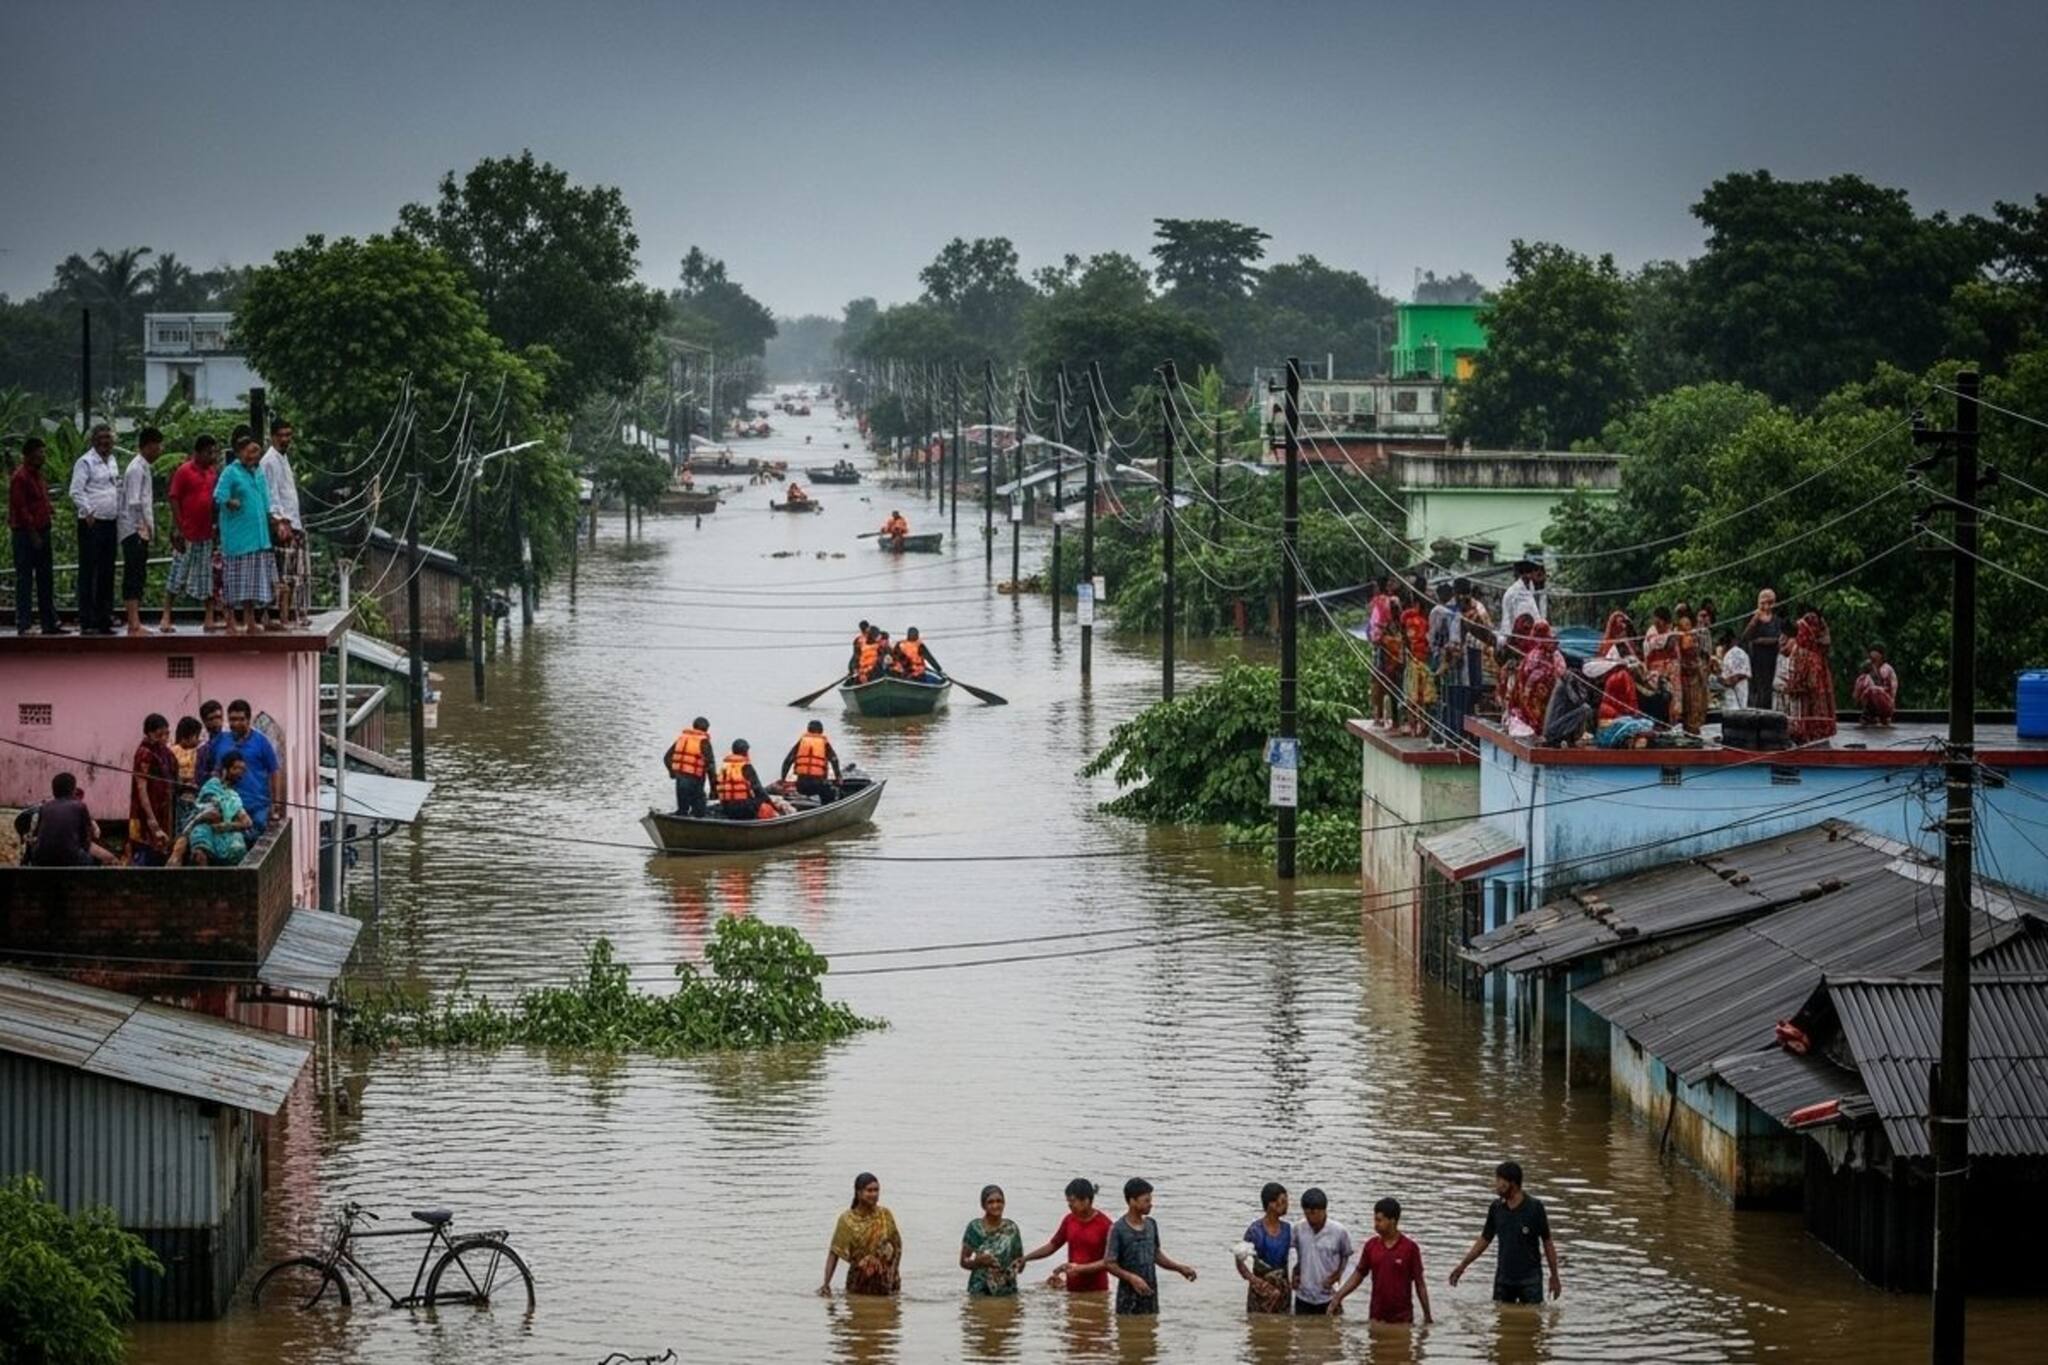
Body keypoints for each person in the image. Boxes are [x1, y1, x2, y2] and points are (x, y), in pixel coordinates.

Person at [1069, 1177, 1197, 1316]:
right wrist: (1131, 1278)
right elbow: (1110, 1263)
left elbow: (1156, 1255)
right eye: (1146, 1201)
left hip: (1150, 1295)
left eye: (1150, 1200)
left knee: (1150, 1331)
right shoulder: (1118, 1229)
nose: (1151, 1204)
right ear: (1132, 1201)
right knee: (1128, 1333)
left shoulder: (1151, 1225)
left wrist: (1179, 1268)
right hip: (1127, 1299)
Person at [1448, 1160, 1562, 1304]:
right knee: (1502, 1322)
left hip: (1530, 1281)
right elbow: (1484, 1240)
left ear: (1511, 1183)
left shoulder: (1535, 1208)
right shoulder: (1496, 1208)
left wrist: (1554, 1276)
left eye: (1499, 1180)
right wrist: (1463, 1265)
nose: (1496, 1185)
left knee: (1532, 1323)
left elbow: (1547, 1242)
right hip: (1503, 1280)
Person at [1331, 1197, 1433, 1325]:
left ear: (1393, 1221)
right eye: (1375, 1219)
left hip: (1402, 1320)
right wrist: (1338, 1297)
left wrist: (1427, 1315)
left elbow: (1420, 1283)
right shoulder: (1371, 1246)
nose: (1375, 1224)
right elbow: (1358, 1275)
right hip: (1376, 1317)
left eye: (1379, 1220)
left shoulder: (1410, 1248)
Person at [214, 435, 275, 635]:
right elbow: (218, 495)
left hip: (258, 537)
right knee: (233, 583)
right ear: (240, 453)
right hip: (238, 539)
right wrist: (230, 502)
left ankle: (250, 622)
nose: (253, 457)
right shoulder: (230, 472)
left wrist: (273, 519)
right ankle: (230, 621)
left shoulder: (258, 473)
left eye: (256, 453)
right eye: (249, 453)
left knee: (251, 585)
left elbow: (266, 501)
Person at [164, 434, 222, 632]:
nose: (212, 456)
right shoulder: (184, 471)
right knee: (177, 574)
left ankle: (209, 616)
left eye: (214, 452)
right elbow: (174, 498)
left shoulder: (212, 473)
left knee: (206, 576)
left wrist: (215, 526)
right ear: (198, 452)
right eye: (208, 452)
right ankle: (166, 615)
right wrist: (179, 528)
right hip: (187, 533)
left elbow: (214, 502)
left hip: (205, 533)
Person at [69, 423, 121, 633]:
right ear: (93, 441)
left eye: (108, 439)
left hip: (110, 521)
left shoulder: (113, 461)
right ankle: (87, 619)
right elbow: (76, 490)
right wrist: (88, 511)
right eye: (100, 439)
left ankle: (104, 617)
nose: (105, 442)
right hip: (92, 523)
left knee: (107, 571)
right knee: (89, 571)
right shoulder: (85, 462)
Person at [8, 437, 62, 635]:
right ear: (29, 454)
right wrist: (33, 534)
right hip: (25, 534)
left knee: (45, 577)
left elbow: (40, 500)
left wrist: (49, 511)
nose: (43, 456)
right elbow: (20, 509)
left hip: (43, 529)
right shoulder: (20, 477)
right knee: (25, 579)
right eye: (40, 452)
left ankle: (49, 621)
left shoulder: (38, 475)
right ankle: (24, 623)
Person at [1022, 1178, 1115, 1292]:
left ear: (1086, 1200)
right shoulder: (1069, 1220)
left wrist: (1080, 1269)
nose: (1069, 1205)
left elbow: (1111, 1261)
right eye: (1068, 1202)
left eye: (1072, 1201)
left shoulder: (1106, 1225)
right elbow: (1052, 1245)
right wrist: (1025, 1258)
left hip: (1097, 1291)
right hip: (1072, 1289)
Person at [819, 1172, 901, 1296]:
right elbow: (834, 1252)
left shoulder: (885, 1215)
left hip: (885, 1284)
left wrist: (892, 1273)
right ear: (858, 1193)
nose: (874, 1194)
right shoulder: (847, 1220)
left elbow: (897, 1246)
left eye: (876, 1190)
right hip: (858, 1284)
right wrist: (826, 1284)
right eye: (869, 1190)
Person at [116, 427, 162, 635]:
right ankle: (133, 623)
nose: (160, 451)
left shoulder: (144, 467)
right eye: (158, 446)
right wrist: (143, 528)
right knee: (133, 573)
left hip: (140, 529)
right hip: (134, 529)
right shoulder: (136, 468)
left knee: (139, 573)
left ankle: (136, 620)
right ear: (149, 445)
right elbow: (135, 501)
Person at [260, 419, 305, 628]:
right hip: (282, 524)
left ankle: (290, 616)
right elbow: (271, 494)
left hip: (293, 522)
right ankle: (277, 617)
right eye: (282, 435)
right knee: (281, 574)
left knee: (292, 574)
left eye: (289, 435)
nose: (286, 439)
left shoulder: (283, 459)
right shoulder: (269, 461)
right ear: (273, 436)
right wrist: (279, 521)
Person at [1588, 611, 1655, 749]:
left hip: (1627, 682)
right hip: (1617, 685)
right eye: (1620, 622)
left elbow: (1637, 663)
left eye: (1624, 622)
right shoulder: (1613, 646)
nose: (1623, 625)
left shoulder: (1626, 643)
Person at [22, 772, 115, 866]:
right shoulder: (80, 806)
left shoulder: (45, 807)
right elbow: (85, 841)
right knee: (95, 861)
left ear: (53, 791)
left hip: (41, 859)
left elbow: (38, 836)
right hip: (71, 859)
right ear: (73, 790)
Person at [1287, 1186, 1354, 1316]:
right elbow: (1297, 1254)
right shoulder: (1298, 1229)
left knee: (1330, 1333)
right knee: (1302, 1332)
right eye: (1306, 1214)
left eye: (1313, 1213)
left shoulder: (1339, 1231)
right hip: (1303, 1295)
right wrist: (1295, 1272)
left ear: (1324, 1211)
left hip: (1328, 1295)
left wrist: (1337, 1275)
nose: (1310, 1219)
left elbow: (1346, 1255)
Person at [220, 699, 282, 834]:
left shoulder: (261, 742)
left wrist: (276, 803)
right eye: (232, 719)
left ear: (248, 720)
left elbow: (274, 771)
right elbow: (216, 771)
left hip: (258, 807)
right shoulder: (222, 741)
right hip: (230, 807)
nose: (236, 723)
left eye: (240, 719)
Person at [180, 752, 253, 866]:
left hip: (223, 831)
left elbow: (247, 822)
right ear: (225, 769)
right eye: (235, 768)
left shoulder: (233, 795)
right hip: (205, 825)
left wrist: (225, 826)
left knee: (237, 848)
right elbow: (212, 813)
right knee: (200, 844)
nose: (239, 773)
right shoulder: (212, 785)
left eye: (242, 770)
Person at [129, 713, 177, 866]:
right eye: (159, 734)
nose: (164, 738)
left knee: (164, 847)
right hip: (148, 810)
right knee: (147, 848)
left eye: (166, 734)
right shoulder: (144, 753)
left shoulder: (165, 752)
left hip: (164, 808)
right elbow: (141, 787)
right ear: (149, 734)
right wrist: (151, 819)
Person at [1236, 1182, 1292, 1313]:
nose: (1287, 1205)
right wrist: (1255, 1281)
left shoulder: (1288, 1229)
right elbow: (1239, 1260)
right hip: (1261, 1290)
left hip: (1283, 1290)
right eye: (1283, 1201)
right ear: (1272, 1204)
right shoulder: (1255, 1231)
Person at [959, 1185, 1024, 1297]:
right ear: (983, 1205)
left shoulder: (1011, 1228)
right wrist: (978, 1262)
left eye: (999, 1201)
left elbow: (1020, 1262)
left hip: (1007, 1291)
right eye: (990, 1202)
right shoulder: (975, 1228)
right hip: (979, 1290)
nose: (995, 1205)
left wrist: (1013, 1268)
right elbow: (963, 1261)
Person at [1784, 612, 1838, 743]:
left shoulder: (1810, 652)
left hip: (1807, 691)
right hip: (1806, 691)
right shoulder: (1810, 652)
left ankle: (1810, 733)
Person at [1401, 586, 1436, 740]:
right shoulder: (1425, 621)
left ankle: (1414, 727)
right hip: (1424, 662)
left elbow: (1405, 638)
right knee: (1425, 698)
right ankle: (1424, 728)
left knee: (1412, 697)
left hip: (1412, 661)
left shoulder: (1407, 619)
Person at [1740, 588, 1783, 710]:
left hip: (1772, 658)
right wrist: (1755, 619)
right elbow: (1745, 637)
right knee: (1757, 688)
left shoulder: (1777, 620)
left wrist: (1763, 641)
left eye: (1769, 603)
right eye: (1763, 603)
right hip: (1756, 659)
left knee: (1769, 688)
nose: (1766, 606)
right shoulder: (1753, 618)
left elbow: (1779, 638)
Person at [781, 719, 841, 802]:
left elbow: (787, 761)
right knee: (831, 792)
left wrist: (783, 780)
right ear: (821, 731)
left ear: (808, 730)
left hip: (801, 786)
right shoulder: (824, 743)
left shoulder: (801, 742)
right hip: (818, 785)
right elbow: (834, 760)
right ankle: (827, 807)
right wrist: (838, 778)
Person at [666, 716, 713, 816]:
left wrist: (672, 773)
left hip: (680, 780)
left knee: (682, 810)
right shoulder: (704, 742)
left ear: (693, 726)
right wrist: (714, 790)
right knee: (699, 812)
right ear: (706, 729)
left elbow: (666, 758)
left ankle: (680, 821)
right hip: (695, 781)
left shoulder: (682, 739)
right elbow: (711, 767)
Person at [1642, 607, 1680, 726]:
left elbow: (1671, 645)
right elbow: (1651, 647)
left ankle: (1671, 724)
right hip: (1656, 671)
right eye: (1655, 622)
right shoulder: (1652, 631)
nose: (1657, 625)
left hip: (1672, 671)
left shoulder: (1672, 631)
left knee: (1672, 702)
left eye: (1659, 622)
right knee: (1658, 699)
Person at [714, 739, 769, 819]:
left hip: (727, 807)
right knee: (763, 804)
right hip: (744, 808)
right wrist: (771, 804)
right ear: (745, 752)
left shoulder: (724, 767)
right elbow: (758, 790)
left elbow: (716, 785)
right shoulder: (746, 767)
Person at [169, 715, 204, 839]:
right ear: (190, 735)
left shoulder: (171, 750)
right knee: (186, 826)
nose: (198, 740)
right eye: (197, 736)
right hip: (182, 796)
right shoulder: (176, 752)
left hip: (183, 796)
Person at [1854, 645, 1899, 727]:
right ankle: (1870, 714)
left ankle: (1881, 716)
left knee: (1873, 690)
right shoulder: (1869, 672)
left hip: (1886, 702)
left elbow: (1884, 688)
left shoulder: (1886, 669)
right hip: (1872, 701)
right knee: (1863, 680)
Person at [1501, 559, 1545, 630]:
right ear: (1528, 574)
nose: (1542, 577)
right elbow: (1507, 621)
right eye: (1538, 573)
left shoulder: (1533, 590)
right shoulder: (1512, 594)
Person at [193, 699, 227, 783]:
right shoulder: (202, 749)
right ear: (204, 721)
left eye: (218, 717)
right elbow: (199, 777)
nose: (216, 721)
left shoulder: (231, 741)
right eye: (211, 719)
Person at [1717, 631, 1752, 710]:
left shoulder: (1733, 654)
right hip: (1738, 692)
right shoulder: (1740, 653)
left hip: (1734, 695)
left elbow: (1735, 677)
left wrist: (1722, 680)